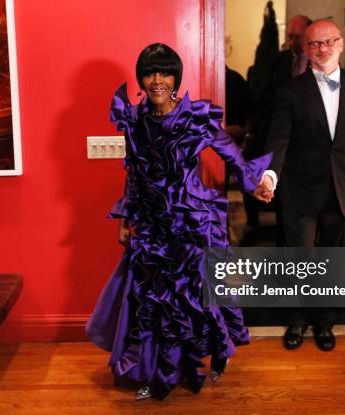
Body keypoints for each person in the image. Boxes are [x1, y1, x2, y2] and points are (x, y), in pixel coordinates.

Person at [86, 43, 272, 400]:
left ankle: (213, 354)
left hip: (192, 223)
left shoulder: (195, 118)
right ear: (141, 78)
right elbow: (135, 173)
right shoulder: (135, 120)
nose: (157, 80)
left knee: (200, 299)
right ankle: (152, 370)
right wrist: (124, 218)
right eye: (150, 72)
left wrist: (257, 184)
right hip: (153, 226)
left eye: (165, 72)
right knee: (152, 301)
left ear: (176, 78)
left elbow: (232, 156)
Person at [253, 19, 345, 351]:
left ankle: (324, 320)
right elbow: (277, 142)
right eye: (314, 44)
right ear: (306, 50)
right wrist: (269, 177)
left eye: (328, 42)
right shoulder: (289, 91)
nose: (321, 49)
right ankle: (297, 319)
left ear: (341, 43)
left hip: (344, 190)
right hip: (299, 190)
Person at [244, 15, 312, 246]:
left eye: (298, 36)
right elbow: (265, 99)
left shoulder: (321, 63)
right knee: (286, 208)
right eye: (290, 36)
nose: (293, 41)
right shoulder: (279, 62)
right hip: (280, 142)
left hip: (310, 147)